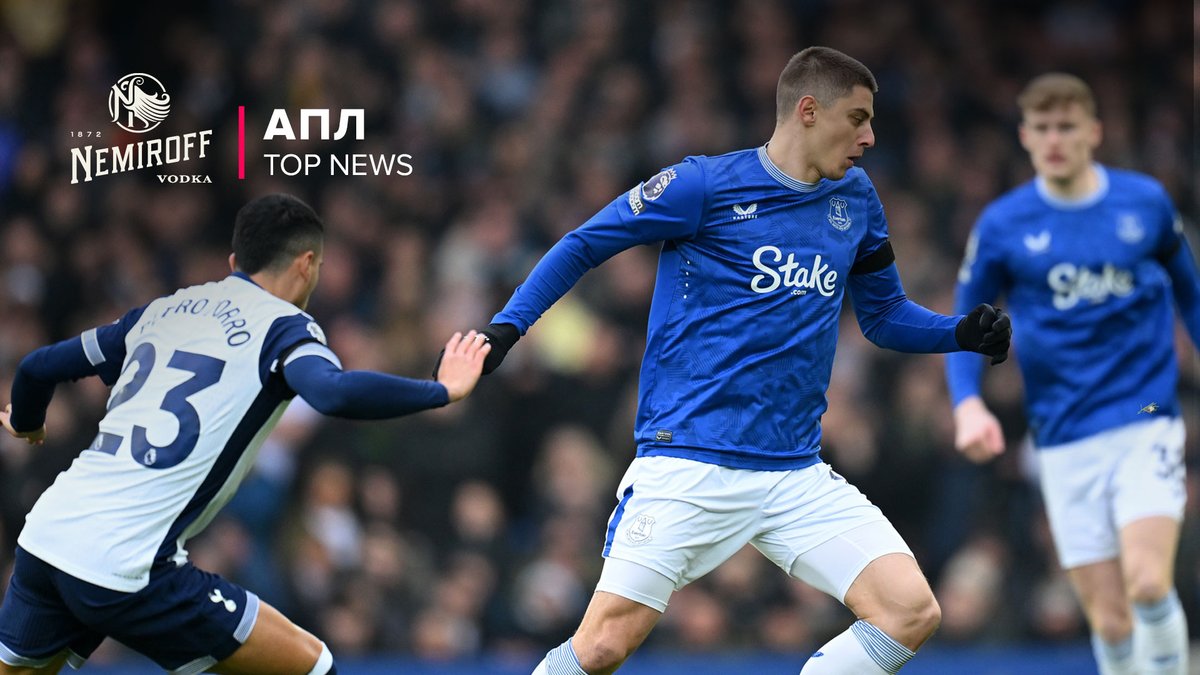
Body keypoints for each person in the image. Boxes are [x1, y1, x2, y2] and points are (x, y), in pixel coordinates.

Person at [464, 46, 1011, 675]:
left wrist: (958, 332)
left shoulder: (855, 200)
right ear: (809, 111)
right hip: (689, 459)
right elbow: (583, 244)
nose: (870, 137)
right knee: (603, 647)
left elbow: (884, 315)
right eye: (858, 118)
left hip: (793, 471)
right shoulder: (703, 185)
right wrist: (506, 329)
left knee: (909, 610)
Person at [0, 194, 491, 675]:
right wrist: (441, 390)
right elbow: (333, 393)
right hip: (129, 563)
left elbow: (37, 367)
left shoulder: (159, 312)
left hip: (47, 537)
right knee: (313, 667)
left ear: (234, 262)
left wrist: (26, 422)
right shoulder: (284, 328)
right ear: (307, 263)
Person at [946, 73, 1197, 675]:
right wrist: (967, 403)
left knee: (1147, 584)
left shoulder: (1144, 204)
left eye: (1067, 127)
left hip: (1145, 417)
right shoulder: (1004, 225)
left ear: (1094, 132)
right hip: (1062, 436)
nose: (1055, 140)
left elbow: (1191, 293)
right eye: (1043, 128)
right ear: (1025, 136)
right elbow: (966, 322)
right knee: (1109, 622)